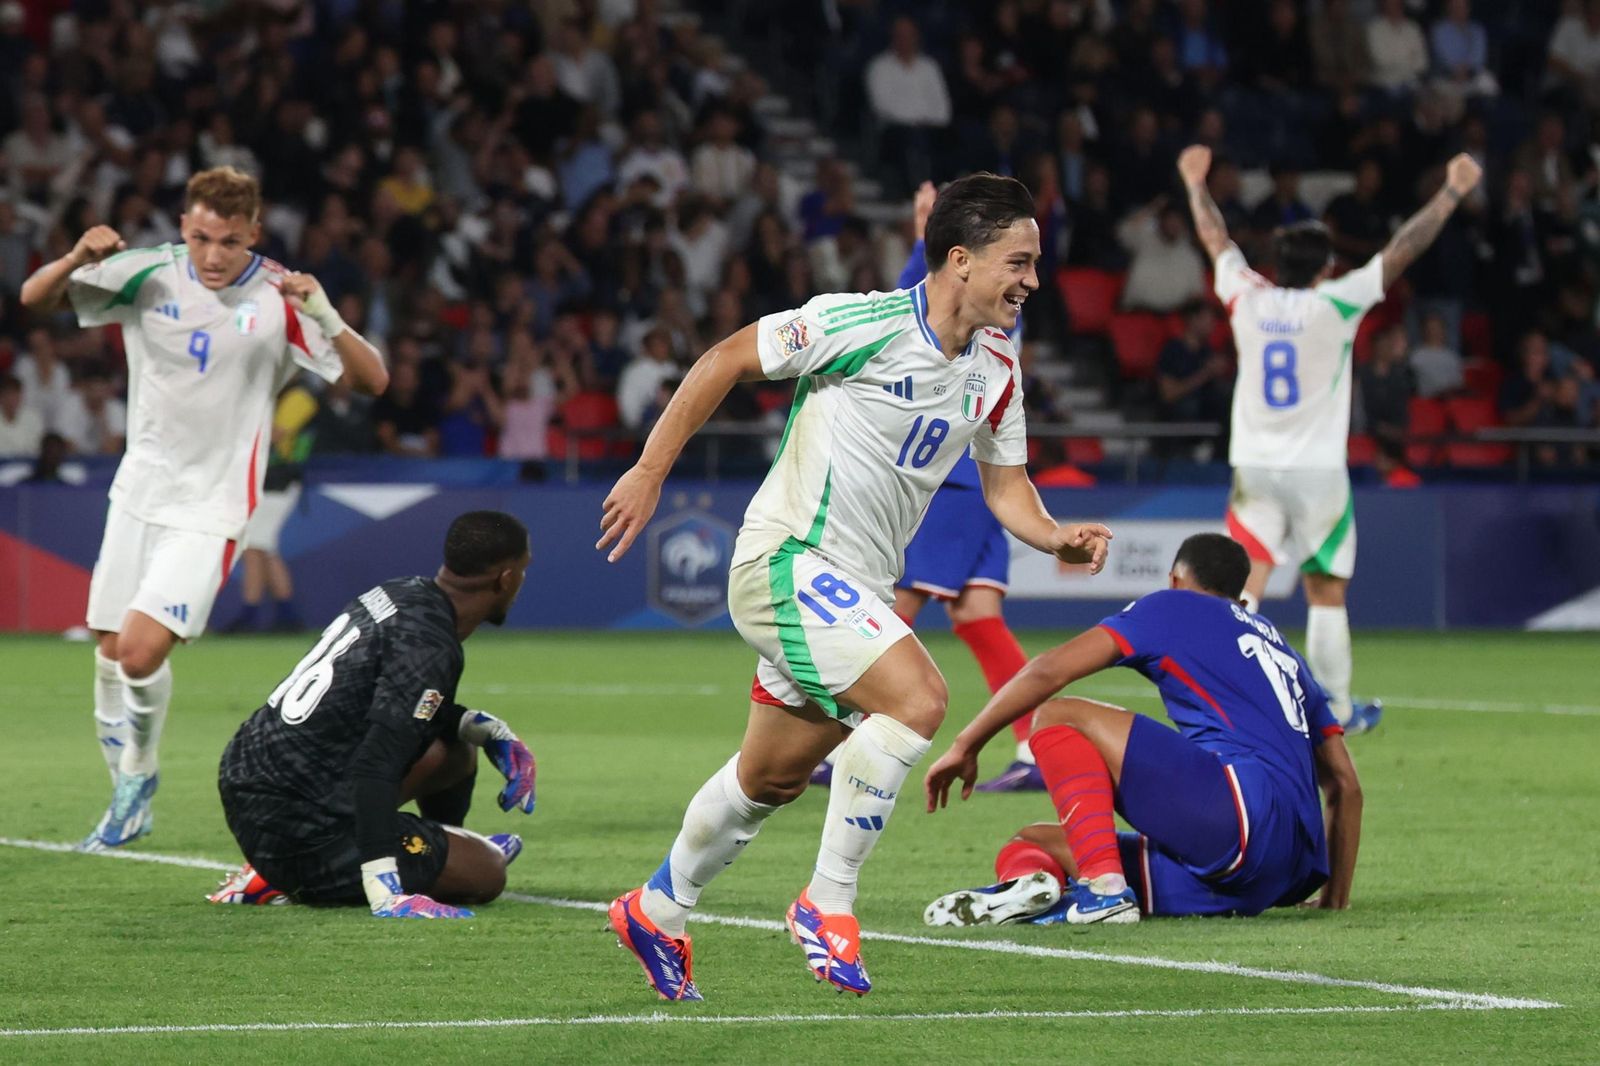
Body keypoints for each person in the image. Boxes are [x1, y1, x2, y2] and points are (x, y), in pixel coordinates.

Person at [596, 173, 1112, 1000]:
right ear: (960, 261)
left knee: (768, 778)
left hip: (857, 590)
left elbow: (1006, 485)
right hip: (786, 561)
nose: (1033, 281)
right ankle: (827, 901)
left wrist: (1056, 535)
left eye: (1036, 263)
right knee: (917, 699)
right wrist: (651, 470)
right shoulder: (858, 320)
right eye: (1019, 262)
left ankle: (656, 908)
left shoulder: (999, 365)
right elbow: (727, 356)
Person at [18, 165, 390, 851]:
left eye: (226, 239)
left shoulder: (282, 297)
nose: (211, 255)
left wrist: (325, 312)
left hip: (212, 504)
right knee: (109, 649)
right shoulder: (149, 272)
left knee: (136, 652)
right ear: (183, 228)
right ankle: (129, 787)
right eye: (199, 238)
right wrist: (74, 256)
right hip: (137, 492)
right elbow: (32, 298)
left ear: (252, 231)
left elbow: (374, 380)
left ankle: (137, 779)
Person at [1177, 144, 1482, 733]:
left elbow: (1216, 240)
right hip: (1316, 469)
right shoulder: (1335, 303)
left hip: (1255, 465)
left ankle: (1225, 704)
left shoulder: (1248, 297)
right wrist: (1451, 191)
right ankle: (1338, 711)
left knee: (1243, 586)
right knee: (1324, 589)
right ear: (1325, 269)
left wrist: (1194, 183)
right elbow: (1402, 251)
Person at [923, 534, 1363, 925]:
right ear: (1241, 600)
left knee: (1057, 715)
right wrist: (1334, 900)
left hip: (1238, 819)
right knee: (1032, 842)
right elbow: (1346, 786)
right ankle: (1035, 885)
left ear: (1175, 581)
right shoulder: (1282, 649)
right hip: (1282, 873)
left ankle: (1103, 889)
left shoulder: (1173, 605)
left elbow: (1048, 671)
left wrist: (967, 743)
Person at [815, 180, 1045, 793]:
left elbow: (910, 317)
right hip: (975, 474)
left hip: (956, 479)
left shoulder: (972, 308)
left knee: (888, 609)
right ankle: (1036, 747)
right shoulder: (999, 310)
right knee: (976, 615)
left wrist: (927, 237)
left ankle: (844, 744)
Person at [210, 511, 536, 916]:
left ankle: (441, 844)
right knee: (486, 872)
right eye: (522, 572)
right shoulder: (430, 646)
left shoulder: (401, 592)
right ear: (506, 578)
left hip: (253, 778)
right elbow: (374, 765)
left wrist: (488, 730)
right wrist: (385, 887)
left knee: (454, 750)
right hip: (301, 826)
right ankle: (304, 872)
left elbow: (388, 702)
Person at [230, 382, 317, 633]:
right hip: (265, 482)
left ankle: (253, 614)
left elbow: (276, 434)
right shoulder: (271, 394)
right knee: (263, 548)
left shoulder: (299, 396)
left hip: (279, 481)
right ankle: (284, 614)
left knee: (255, 546)